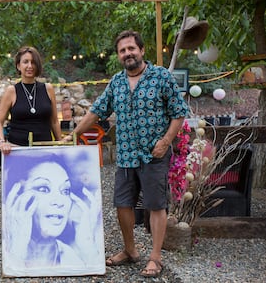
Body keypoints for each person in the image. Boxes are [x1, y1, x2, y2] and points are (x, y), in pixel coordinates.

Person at [62, 30, 189, 277]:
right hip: (126, 155)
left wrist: (166, 141)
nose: (127, 53)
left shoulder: (161, 76)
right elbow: (97, 111)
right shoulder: (116, 82)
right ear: (119, 56)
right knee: (122, 204)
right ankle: (130, 250)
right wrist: (74, 134)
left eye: (131, 48)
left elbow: (178, 112)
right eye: (122, 50)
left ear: (141, 50)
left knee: (155, 204)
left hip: (154, 153)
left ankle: (155, 257)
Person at [2, 152, 102, 269]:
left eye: (65, 191)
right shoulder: (7, 252)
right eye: (44, 189)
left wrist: (88, 247)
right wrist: (17, 251)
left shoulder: (72, 257)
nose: (59, 202)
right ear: (16, 196)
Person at [0, 46, 62, 153]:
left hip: (45, 149)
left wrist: (61, 144)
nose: (30, 66)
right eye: (25, 62)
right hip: (17, 149)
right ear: (18, 66)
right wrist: (2, 142)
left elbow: (54, 121)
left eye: (33, 62)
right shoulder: (11, 91)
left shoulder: (48, 89)